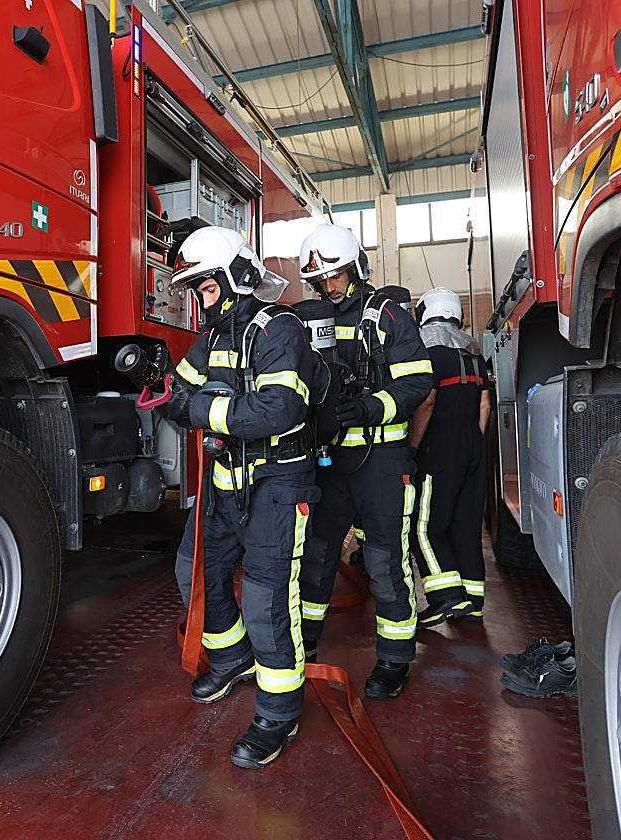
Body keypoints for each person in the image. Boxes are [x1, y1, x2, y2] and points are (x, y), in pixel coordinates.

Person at [163, 226, 322, 768]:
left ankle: (279, 713)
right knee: (194, 572)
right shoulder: (212, 338)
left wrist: (199, 410)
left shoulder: (280, 330)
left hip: (279, 484)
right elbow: (178, 394)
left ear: (237, 278)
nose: (200, 304)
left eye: (205, 291)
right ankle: (232, 660)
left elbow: (279, 410)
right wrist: (159, 386)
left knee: (266, 600)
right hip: (226, 481)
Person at [295, 224, 433, 700]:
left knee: (383, 561)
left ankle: (394, 661)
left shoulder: (387, 314)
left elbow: (418, 383)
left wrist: (372, 406)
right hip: (330, 462)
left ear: (356, 268)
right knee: (315, 557)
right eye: (319, 281)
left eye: (335, 277)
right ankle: (304, 645)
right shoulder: (312, 320)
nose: (328, 288)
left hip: (380, 460)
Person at [407, 287, 491, 624]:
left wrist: (413, 448)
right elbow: (485, 404)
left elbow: (426, 402)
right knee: (465, 526)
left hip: (437, 447)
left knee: (424, 528)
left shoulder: (427, 349)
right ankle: (473, 600)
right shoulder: (473, 351)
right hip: (473, 445)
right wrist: (473, 444)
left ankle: (445, 598)